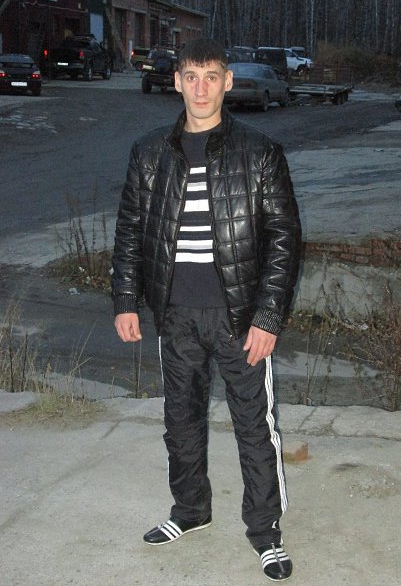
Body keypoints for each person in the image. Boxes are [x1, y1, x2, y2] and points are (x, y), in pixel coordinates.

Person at [111, 37, 301, 582]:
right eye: (190, 77)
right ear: (176, 82)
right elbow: (130, 232)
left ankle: (265, 532)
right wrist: (126, 301)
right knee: (181, 420)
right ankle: (190, 510)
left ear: (227, 81)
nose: (200, 88)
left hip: (240, 319)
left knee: (255, 427)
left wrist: (267, 317)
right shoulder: (149, 152)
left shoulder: (259, 152)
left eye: (211, 76)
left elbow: (285, 239)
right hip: (175, 315)